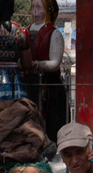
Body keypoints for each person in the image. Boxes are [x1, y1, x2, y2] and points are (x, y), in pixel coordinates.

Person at [25, 0, 67, 143]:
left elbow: (55, 63)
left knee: (50, 126)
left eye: (39, 8)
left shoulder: (54, 33)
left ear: (48, 10)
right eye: (33, 7)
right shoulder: (25, 31)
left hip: (49, 87)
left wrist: (35, 64)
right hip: (28, 84)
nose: (34, 12)